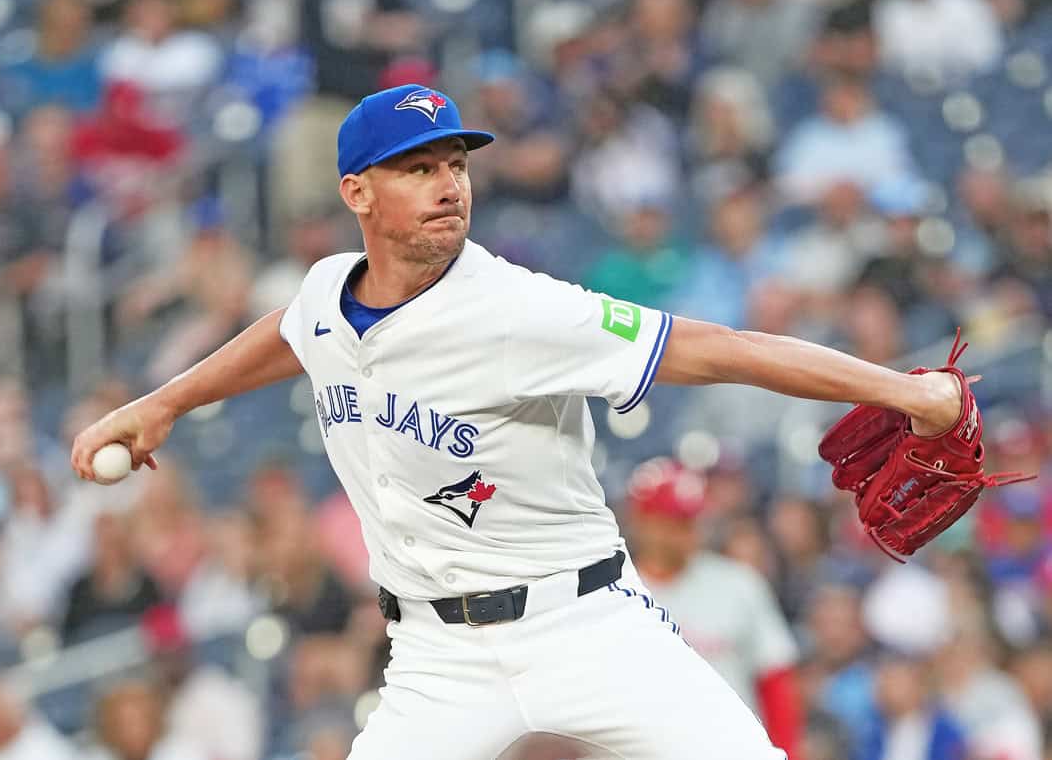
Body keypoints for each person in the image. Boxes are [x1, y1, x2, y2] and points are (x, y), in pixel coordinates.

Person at [72, 83, 968, 759]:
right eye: (418, 168)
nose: (448, 185)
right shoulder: (323, 294)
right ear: (356, 193)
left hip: (585, 625)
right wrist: (164, 402)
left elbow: (719, 348)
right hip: (435, 656)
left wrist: (904, 391)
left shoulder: (519, 310)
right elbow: (290, 333)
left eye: (456, 165)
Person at [624, 458, 803, 758]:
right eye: (674, 521)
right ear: (642, 521)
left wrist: (788, 753)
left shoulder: (738, 583)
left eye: (692, 520)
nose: (687, 532)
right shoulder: (617, 592)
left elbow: (775, 679)